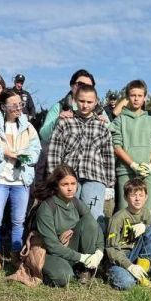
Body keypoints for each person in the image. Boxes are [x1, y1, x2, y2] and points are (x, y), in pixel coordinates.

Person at [0, 90, 41, 271]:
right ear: (4, 107)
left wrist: (26, 157)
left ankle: (16, 254)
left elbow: (36, 150)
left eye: (20, 104)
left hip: (21, 180)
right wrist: (2, 153)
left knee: (18, 221)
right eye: (13, 105)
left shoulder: (28, 127)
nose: (18, 108)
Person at [46, 84, 114, 229]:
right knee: (69, 214)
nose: (85, 105)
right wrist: (54, 177)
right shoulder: (65, 123)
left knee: (94, 214)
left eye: (89, 102)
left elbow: (108, 156)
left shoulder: (102, 125)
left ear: (96, 102)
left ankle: (97, 248)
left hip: (95, 176)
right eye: (82, 101)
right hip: (69, 177)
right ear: (75, 100)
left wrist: (110, 184)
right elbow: (55, 152)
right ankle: (71, 248)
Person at [32, 165, 104, 286]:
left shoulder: (76, 202)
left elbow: (94, 226)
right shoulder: (47, 208)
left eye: (73, 183)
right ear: (56, 186)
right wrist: (82, 258)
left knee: (89, 221)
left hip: (70, 249)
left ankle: (85, 270)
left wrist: (99, 252)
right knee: (64, 277)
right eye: (65, 184)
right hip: (49, 252)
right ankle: (58, 271)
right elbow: (53, 247)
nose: (70, 188)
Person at [110, 80, 151, 216]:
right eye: (133, 95)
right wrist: (133, 165)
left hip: (148, 173)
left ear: (144, 97)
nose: (136, 98)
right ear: (127, 97)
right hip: (126, 171)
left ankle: (144, 237)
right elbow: (117, 147)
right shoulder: (119, 121)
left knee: (146, 211)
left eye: (140, 95)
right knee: (124, 210)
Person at [105, 178, 151, 290]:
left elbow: (150, 237)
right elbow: (111, 249)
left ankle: (143, 270)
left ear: (146, 197)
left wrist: (146, 227)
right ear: (125, 197)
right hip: (119, 257)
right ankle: (114, 273)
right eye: (133, 195)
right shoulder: (117, 218)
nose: (137, 199)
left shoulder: (145, 213)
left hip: (136, 253)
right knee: (128, 283)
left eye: (141, 195)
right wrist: (129, 266)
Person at [38, 69, 110, 143]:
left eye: (88, 86)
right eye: (80, 84)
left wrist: (105, 125)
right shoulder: (59, 107)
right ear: (72, 86)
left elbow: (110, 136)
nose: (84, 87)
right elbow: (44, 136)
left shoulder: (99, 110)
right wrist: (57, 121)